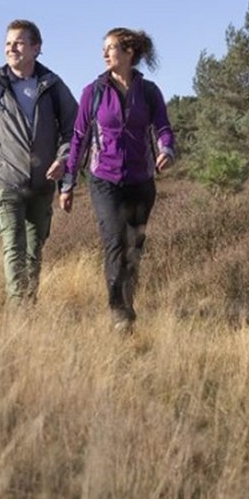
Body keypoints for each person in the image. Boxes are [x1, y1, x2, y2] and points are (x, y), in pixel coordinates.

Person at [48, 27, 175, 331]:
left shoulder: (149, 92)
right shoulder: (93, 92)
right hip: (103, 178)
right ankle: (118, 312)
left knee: (134, 246)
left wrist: (166, 149)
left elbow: (163, 127)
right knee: (115, 240)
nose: (105, 54)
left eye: (111, 48)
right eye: (103, 48)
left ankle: (128, 303)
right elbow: (78, 138)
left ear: (129, 53)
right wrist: (67, 184)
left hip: (141, 180)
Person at [0, 19, 79, 305]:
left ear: (37, 48)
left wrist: (63, 162)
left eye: (19, 42)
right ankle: (19, 310)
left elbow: (74, 131)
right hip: (5, 182)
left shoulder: (53, 86)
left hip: (41, 184)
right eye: (8, 43)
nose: (11, 48)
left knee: (34, 250)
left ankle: (29, 302)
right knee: (13, 246)